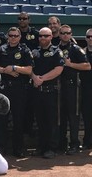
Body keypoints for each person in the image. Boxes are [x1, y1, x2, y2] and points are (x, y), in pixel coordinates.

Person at [0, 27, 33, 158]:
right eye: (11, 35)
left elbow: (29, 70)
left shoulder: (25, 50)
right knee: (1, 120)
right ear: (7, 36)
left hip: (19, 89)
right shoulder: (1, 49)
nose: (13, 38)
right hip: (3, 88)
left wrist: (15, 68)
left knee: (18, 120)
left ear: (20, 37)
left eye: (16, 35)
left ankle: (18, 149)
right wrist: (5, 70)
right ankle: (0, 148)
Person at [31, 27, 64, 159]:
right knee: (40, 120)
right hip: (37, 92)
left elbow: (58, 70)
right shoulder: (34, 52)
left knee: (51, 121)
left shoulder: (57, 51)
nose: (43, 38)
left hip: (51, 92)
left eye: (46, 36)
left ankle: (52, 148)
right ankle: (42, 147)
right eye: (41, 36)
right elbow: (29, 67)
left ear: (51, 37)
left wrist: (41, 79)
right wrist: (34, 78)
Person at [58, 24, 91, 155]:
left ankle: (74, 143)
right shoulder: (55, 48)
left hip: (73, 86)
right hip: (59, 86)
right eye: (63, 33)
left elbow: (87, 66)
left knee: (73, 116)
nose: (65, 35)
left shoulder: (76, 49)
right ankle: (61, 143)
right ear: (59, 34)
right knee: (60, 117)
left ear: (71, 34)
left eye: (68, 33)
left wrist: (70, 64)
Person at [17, 12, 39, 139]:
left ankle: (29, 131)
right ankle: (21, 133)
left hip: (32, 74)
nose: (22, 20)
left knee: (31, 106)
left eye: (24, 18)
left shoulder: (35, 34)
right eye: (20, 19)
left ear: (29, 20)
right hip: (18, 75)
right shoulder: (15, 34)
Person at [80, 28, 92, 150]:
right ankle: (87, 141)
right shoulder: (82, 52)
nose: (90, 39)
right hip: (86, 89)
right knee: (87, 117)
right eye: (88, 37)